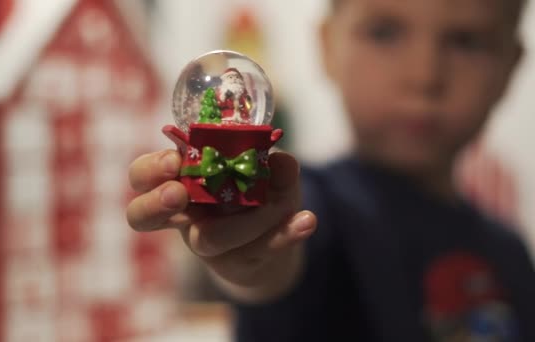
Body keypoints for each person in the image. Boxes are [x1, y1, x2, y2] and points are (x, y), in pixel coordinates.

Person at [126, 0, 535, 340]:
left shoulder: (511, 252)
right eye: (384, 33)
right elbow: (279, 256)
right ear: (327, 48)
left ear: (511, 67)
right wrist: (249, 248)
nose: (424, 75)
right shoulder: (318, 205)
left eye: (466, 41)